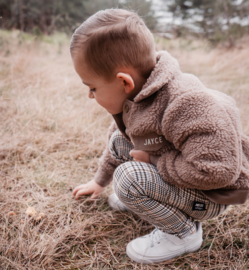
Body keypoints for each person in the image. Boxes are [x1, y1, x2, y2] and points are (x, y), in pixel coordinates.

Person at [70, 8, 249, 264]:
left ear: (124, 82)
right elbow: (118, 142)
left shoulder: (185, 104)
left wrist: (151, 162)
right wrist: (99, 182)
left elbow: (218, 171)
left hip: (213, 193)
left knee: (128, 179)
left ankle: (183, 233)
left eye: (92, 88)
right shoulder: (137, 97)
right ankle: (149, 195)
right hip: (187, 174)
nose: (90, 95)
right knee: (120, 144)